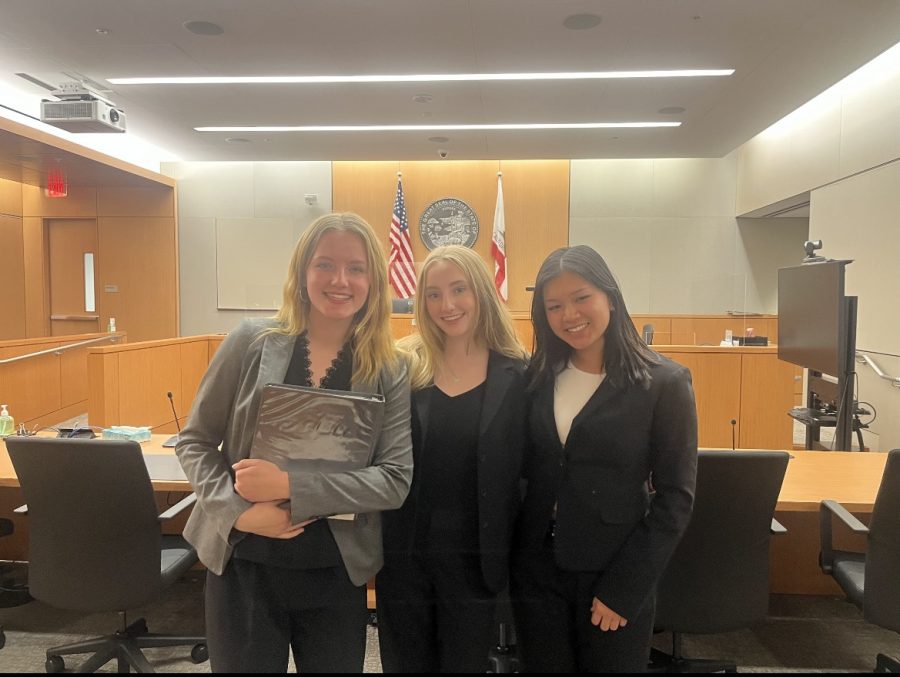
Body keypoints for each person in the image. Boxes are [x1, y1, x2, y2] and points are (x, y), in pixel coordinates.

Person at [175, 213, 413, 673]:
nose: (340, 280)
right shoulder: (250, 342)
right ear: (303, 273)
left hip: (335, 572)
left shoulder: (390, 368)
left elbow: (394, 480)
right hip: (243, 561)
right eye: (325, 264)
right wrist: (239, 511)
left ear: (374, 281)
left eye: (356, 268)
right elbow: (195, 442)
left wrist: (290, 485)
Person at [511, 245, 698, 673]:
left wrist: (626, 588)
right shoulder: (535, 377)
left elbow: (676, 497)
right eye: (554, 305)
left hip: (614, 569)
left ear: (610, 297)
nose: (569, 314)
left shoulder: (663, 382)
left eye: (581, 298)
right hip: (538, 569)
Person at [376, 245, 529, 673]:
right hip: (404, 555)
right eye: (434, 294)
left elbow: (527, 472)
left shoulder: (518, 373)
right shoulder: (402, 366)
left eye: (459, 289)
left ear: (481, 292)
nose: (447, 305)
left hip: (477, 560)